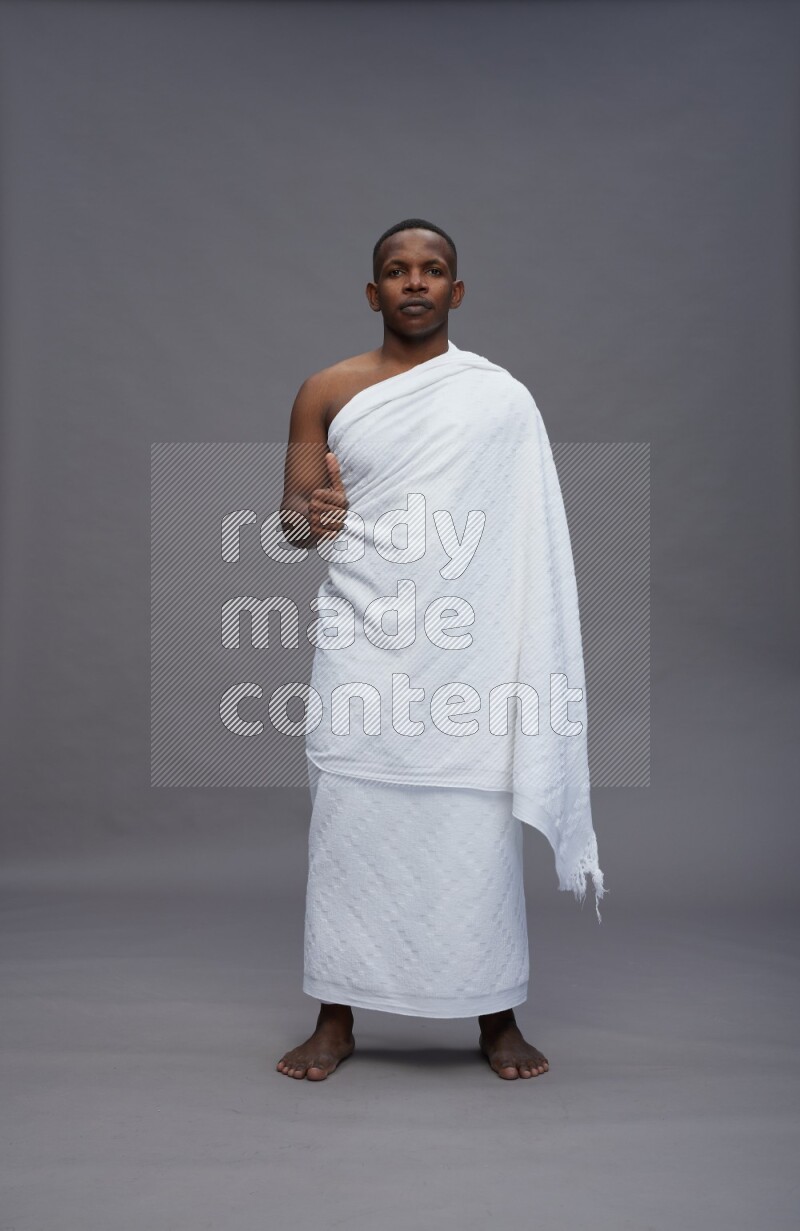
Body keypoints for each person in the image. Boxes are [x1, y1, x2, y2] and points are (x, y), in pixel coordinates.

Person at [276, 218, 597, 1081]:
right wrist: (314, 519)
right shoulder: (326, 391)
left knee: (470, 826)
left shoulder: (500, 399)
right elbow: (294, 520)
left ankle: (496, 1016)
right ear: (372, 291)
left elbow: (524, 535)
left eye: (433, 270)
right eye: (395, 269)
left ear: (456, 292)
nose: (413, 282)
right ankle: (335, 1015)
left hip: (468, 653)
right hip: (362, 639)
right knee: (349, 822)